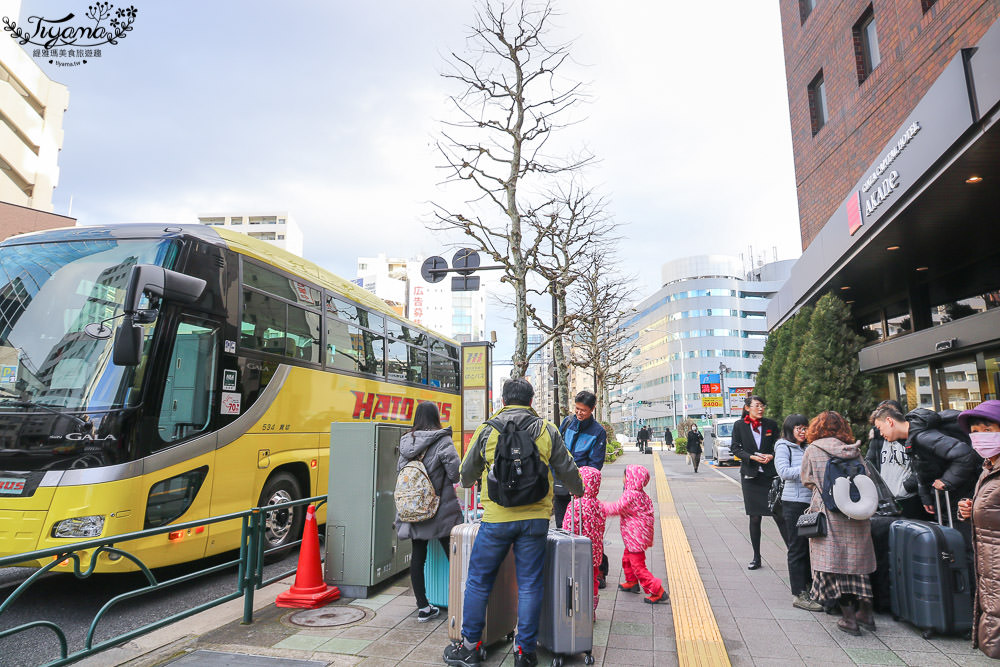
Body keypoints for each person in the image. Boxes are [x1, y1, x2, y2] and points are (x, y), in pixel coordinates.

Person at [444, 378, 583, 667]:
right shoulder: (546, 429)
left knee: (479, 581)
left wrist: (472, 479)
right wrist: (579, 489)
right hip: (535, 521)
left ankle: (469, 646)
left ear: (503, 401)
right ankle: (525, 653)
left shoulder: (487, 430)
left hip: (495, 521)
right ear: (531, 401)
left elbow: (465, 474)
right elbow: (567, 468)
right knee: (530, 584)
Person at [800, 411, 876, 636]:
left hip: (830, 514)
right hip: (857, 514)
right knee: (858, 566)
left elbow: (806, 479)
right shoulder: (853, 450)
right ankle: (867, 614)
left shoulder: (813, 450)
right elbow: (868, 475)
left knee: (836, 567)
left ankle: (849, 619)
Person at [872, 404, 981, 552]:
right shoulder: (910, 439)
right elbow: (921, 469)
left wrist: (947, 481)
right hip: (947, 498)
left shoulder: (924, 437)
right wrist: (926, 497)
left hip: (958, 497)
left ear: (890, 421)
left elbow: (965, 454)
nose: (880, 433)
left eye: (880, 427)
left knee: (963, 546)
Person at [396, 402, 463, 622]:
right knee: (454, 556)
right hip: (440, 509)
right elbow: (455, 474)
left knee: (418, 557)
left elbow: (400, 471)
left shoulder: (407, 440)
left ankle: (423, 607)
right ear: (436, 417)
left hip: (414, 508)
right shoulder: (442, 440)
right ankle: (462, 604)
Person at [956, 400, 1000, 659]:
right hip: (989, 565)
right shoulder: (989, 468)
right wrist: (971, 510)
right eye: (976, 431)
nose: (980, 437)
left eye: (988, 430)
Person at [730, 395, 789, 569]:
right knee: (755, 518)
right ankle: (756, 557)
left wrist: (772, 455)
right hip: (750, 477)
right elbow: (735, 448)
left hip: (770, 476)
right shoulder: (739, 425)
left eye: (762, 405)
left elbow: (778, 445)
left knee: (779, 515)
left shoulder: (771, 424)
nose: (761, 408)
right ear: (747, 408)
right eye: (757, 405)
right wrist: (751, 457)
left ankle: (792, 552)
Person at [774, 414, 823, 611]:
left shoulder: (806, 448)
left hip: (809, 503)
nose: (803, 432)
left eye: (805, 427)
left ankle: (810, 586)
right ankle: (798, 594)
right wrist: (807, 468)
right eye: (799, 428)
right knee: (796, 548)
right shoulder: (783, 446)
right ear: (790, 430)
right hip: (792, 503)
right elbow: (783, 472)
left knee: (809, 547)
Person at [602, 464, 667, 604]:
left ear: (631, 478)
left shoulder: (631, 495)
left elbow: (616, 508)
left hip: (635, 537)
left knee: (638, 566)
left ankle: (657, 590)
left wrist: (599, 506)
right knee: (627, 559)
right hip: (636, 537)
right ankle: (631, 582)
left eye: (625, 476)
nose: (623, 479)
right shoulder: (641, 494)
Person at [554, 390, 607, 528]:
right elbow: (556, 449)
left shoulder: (598, 432)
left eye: (583, 410)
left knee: (578, 527)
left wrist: (581, 484)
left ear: (592, 409)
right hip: (561, 484)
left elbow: (595, 464)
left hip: (580, 490)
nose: (579, 413)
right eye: (577, 408)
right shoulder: (567, 422)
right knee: (560, 525)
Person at [866, 399, 922, 518]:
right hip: (887, 502)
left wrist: (907, 486)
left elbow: (922, 465)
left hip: (911, 498)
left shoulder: (910, 437)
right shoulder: (878, 438)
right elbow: (871, 464)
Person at [562, 466, 605, 616]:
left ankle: (577, 607)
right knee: (592, 580)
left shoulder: (576, 504)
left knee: (576, 579)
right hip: (594, 552)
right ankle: (591, 610)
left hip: (577, 552)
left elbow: (567, 528)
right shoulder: (599, 505)